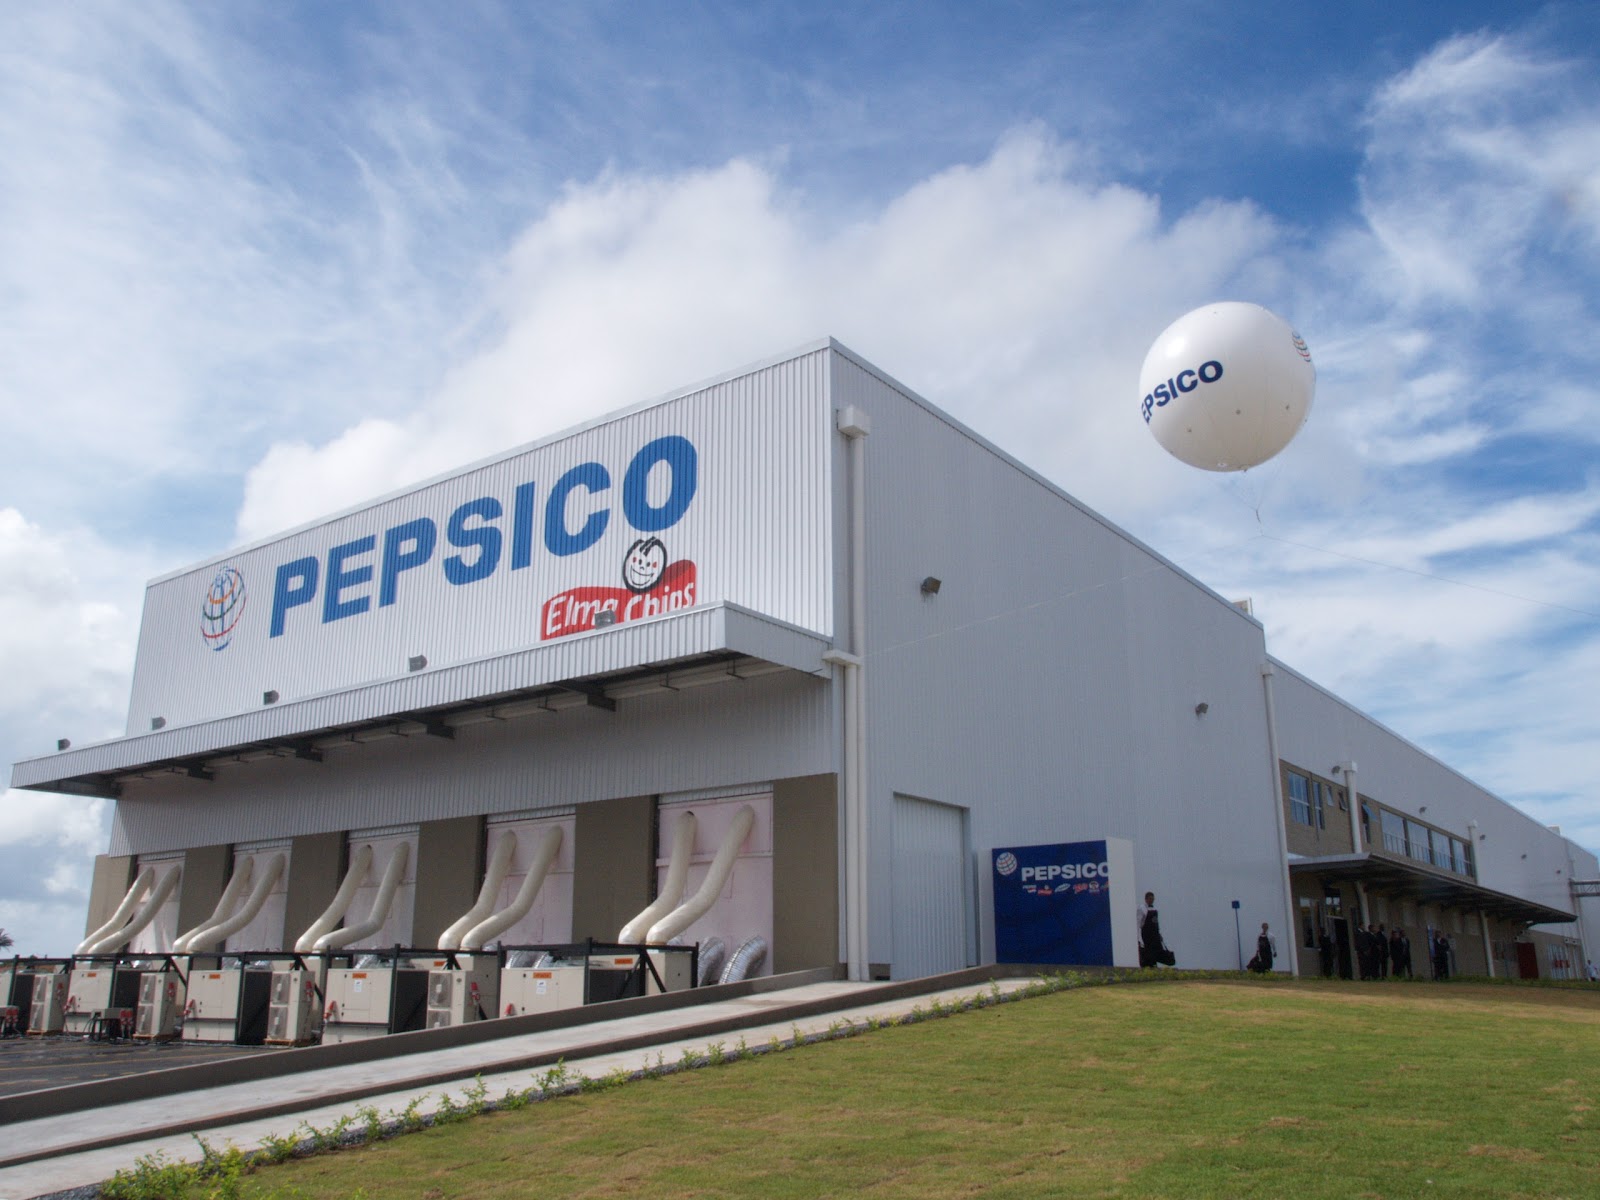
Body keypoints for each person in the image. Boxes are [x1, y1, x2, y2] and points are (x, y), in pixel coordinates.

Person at [1136, 891, 1174, 968]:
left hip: (1155, 936)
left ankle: (1154, 965)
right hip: (1146, 936)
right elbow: (1138, 924)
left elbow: (1156, 924)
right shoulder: (1141, 909)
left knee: (1156, 952)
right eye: (1150, 899)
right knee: (1148, 953)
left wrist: (1159, 935)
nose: (1151, 900)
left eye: (1153, 899)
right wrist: (1139, 938)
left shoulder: (1155, 909)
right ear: (1146, 899)